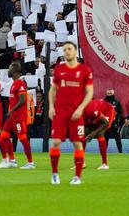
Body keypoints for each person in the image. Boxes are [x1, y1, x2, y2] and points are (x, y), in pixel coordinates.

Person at [48, 41, 93, 185]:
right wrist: (51, 107)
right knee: (55, 142)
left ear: (75, 52)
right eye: (64, 49)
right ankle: (55, 174)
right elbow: (53, 90)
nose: (66, 51)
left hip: (76, 113)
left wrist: (80, 109)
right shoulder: (59, 69)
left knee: (78, 144)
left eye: (69, 49)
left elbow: (90, 92)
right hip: (60, 112)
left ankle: (77, 177)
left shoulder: (85, 70)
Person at [0, 61, 34, 169]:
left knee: (22, 138)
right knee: (4, 136)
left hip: (18, 116)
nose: (8, 70)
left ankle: (30, 162)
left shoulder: (20, 83)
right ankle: (12, 160)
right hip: (11, 117)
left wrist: (11, 110)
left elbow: (22, 100)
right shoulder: (13, 84)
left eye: (10, 68)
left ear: (15, 71)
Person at [82, 98, 116, 170]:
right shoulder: (80, 112)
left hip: (108, 111)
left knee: (99, 134)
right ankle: (81, 162)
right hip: (95, 111)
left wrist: (93, 133)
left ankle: (104, 164)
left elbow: (105, 123)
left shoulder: (92, 111)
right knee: (83, 135)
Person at [103, 89, 124, 153]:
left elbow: (121, 112)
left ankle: (120, 152)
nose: (109, 95)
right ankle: (104, 152)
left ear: (113, 93)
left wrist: (116, 118)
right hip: (106, 123)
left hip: (114, 123)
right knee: (105, 138)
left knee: (117, 138)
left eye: (110, 93)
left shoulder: (116, 101)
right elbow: (100, 111)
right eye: (108, 93)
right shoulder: (103, 101)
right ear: (106, 93)